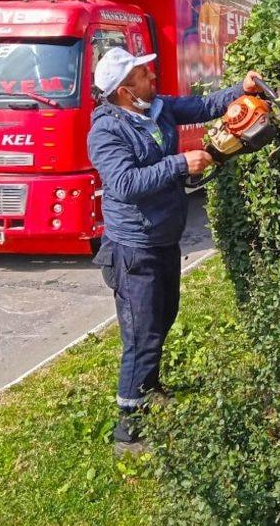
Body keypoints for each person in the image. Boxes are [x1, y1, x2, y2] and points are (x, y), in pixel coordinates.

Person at [88, 46, 262, 455]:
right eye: (142, 75)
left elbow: (203, 106)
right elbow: (126, 184)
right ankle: (129, 430)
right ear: (125, 91)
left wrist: (242, 89)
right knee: (141, 335)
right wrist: (180, 164)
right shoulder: (106, 132)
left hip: (163, 239)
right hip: (134, 248)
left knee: (163, 318)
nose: (152, 77)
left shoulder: (158, 109)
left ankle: (149, 389)